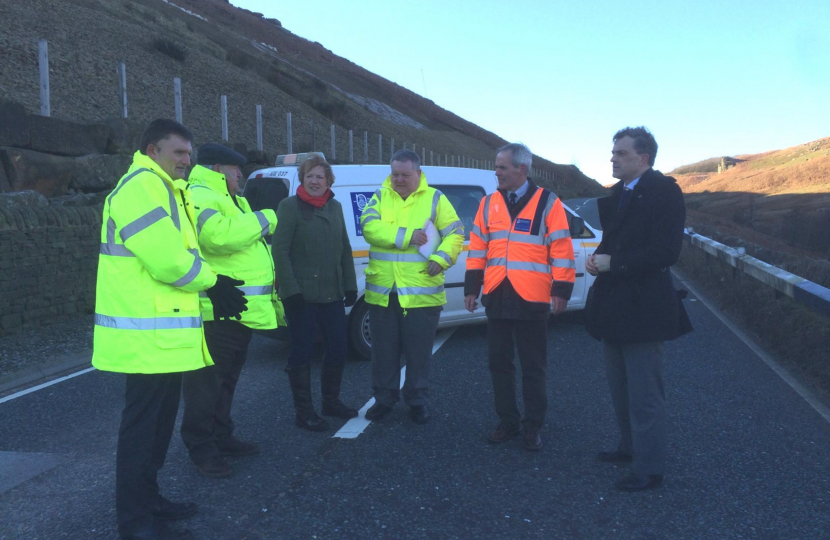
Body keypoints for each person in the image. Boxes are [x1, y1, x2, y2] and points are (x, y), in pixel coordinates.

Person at [93, 119, 247, 540]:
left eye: (188, 152)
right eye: (177, 152)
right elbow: (166, 259)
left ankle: (149, 503)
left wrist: (211, 283)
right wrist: (214, 283)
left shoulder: (165, 189)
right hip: (144, 340)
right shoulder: (141, 187)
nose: (187, 159)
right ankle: (136, 523)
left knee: (156, 429)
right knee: (142, 432)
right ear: (150, 150)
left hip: (160, 340)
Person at [585, 126, 692, 492]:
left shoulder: (665, 191)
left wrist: (614, 263)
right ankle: (629, 448)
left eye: (621, 153)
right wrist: (600, 258)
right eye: (613, 152)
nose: (612, 158)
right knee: (620, 386)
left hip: (645, 306)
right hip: (615, 304)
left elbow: (666, 252)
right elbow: (618, 241)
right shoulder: (622, 193)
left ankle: (650, 468)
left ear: (643, 158)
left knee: (645, 392)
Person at [180, 143, 284, 478]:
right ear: (216, 169)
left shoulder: (229, 198)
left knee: (225, 383)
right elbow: (217, 238)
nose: (240, 174)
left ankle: (221, 438)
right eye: (234, 168)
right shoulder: (201, 194)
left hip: (237, 311)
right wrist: (266, 217)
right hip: (215, 314)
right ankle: (203, 451)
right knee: (206, 386)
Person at [464, 143, 575, 452]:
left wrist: (561, 291)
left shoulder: (547, 203)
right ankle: (508, 421)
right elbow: (477, 249)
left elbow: (562, 250)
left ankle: (532, 425)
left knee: (533, 366)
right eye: (496, 166)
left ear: (522, 169)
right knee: (499, 364)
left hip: (532, 298)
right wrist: (472, 288)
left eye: (502, 167)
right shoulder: (487, 204)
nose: (496, 172)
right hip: (498, 294)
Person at [360, 149, 464, 424]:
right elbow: (369, 227)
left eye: (405, 175)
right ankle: (384, 400)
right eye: (395, 174)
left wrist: (442, 259)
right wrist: (407, 236)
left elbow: (455, 233)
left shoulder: (435, 198)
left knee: (419, 353)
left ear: (418, 174)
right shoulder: (381, 196)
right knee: (383, 352)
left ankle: (417, 401)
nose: (399, 179)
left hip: (421, 292)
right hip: (384, 291)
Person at [272, 155, 359, 431]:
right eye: (309, 175)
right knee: (302, 351)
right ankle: (304, 412)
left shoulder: (335, 207)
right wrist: (291, 291)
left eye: (320, 176)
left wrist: (349, 284)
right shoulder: (289, 207)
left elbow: (345, 247)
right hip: (302, 296)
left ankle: (330, 402)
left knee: (338, 349)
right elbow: (280, 251)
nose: (314, 181)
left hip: (332, 293)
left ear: (329, 181)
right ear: (302, 178)